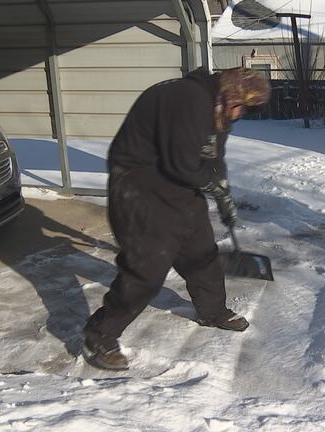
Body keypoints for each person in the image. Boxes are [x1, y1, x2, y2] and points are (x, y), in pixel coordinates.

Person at [82, 67, 271, 370]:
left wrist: (223, 195)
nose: (239, 114)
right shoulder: (190, 98)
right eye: (241, 106)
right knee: (148, 266)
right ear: (231, 93)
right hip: (139, 182)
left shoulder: (218, 107)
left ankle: (211, 310)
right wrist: (209, 184)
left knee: (201, 250)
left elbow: (212, 157)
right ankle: (99, 334)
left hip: (176, 180)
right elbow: (182, 164)